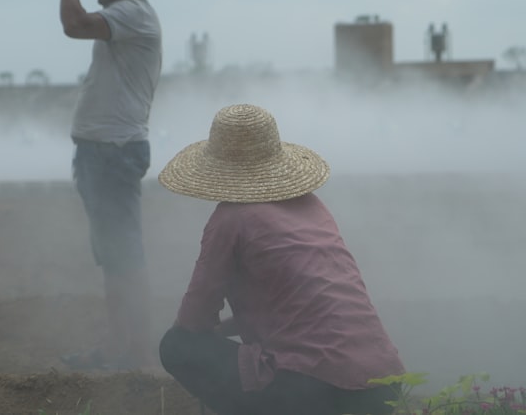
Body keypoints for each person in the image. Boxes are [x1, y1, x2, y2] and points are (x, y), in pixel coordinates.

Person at [157, 104, 407, 415]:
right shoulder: (313, 207)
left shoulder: (230, 218)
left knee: (177, 345)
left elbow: (194, 318)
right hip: (384, 383)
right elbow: (295, 307)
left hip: (322, 389)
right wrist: (223, 330)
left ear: (218, 167)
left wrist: (204, 331)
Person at [57, 0, 162, 370]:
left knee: (124, 259)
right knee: (115, 260)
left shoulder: (132, 14)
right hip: (105, 152)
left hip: (112, 153)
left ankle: (135, 353)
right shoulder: (127, 14)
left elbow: (73, 25)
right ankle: (121, 349)